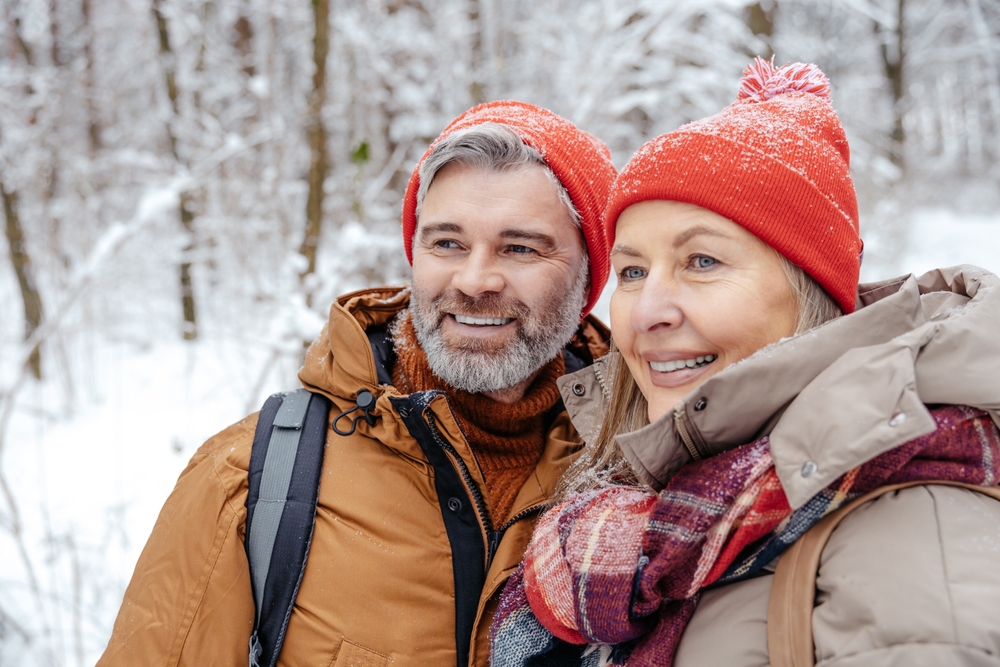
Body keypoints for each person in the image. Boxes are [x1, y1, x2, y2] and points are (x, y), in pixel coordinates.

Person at [490, 58, 1000, 667]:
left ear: (811, 289)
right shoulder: (645, 514)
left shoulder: (913, 537)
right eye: (632, 271)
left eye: (702, 261)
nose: (647, 311)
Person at [96, 101, 616, 667]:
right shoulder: (251, 480)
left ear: (588, 274)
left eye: (520, 248)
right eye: (446, 243)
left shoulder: (634, 467)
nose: (474, 280)